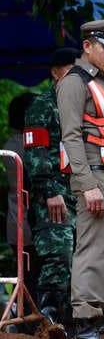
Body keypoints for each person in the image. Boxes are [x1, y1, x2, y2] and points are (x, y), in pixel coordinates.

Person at [57, 17, 104, 338]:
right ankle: (86, 320)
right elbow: (71, 136)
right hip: (94, 175)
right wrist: (87, 185)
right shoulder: (75, 81)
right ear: (87, 47)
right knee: (94, 248)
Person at [23, 47, 80, 333]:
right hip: (53, 197)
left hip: (81, 197)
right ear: (55, 73)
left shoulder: (83, 106)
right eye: (70, 71)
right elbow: (36, 153)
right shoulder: (43, 107)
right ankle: (46, 324)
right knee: (59, 258)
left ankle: (69, 327)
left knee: (81, 267)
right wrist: (49, 190)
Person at [2, 92, 38, 335]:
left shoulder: (12, 144)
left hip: (21, 224)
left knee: (29, 281)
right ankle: (29, 327)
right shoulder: (21, 146)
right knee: (31, 283)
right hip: (27, 225)